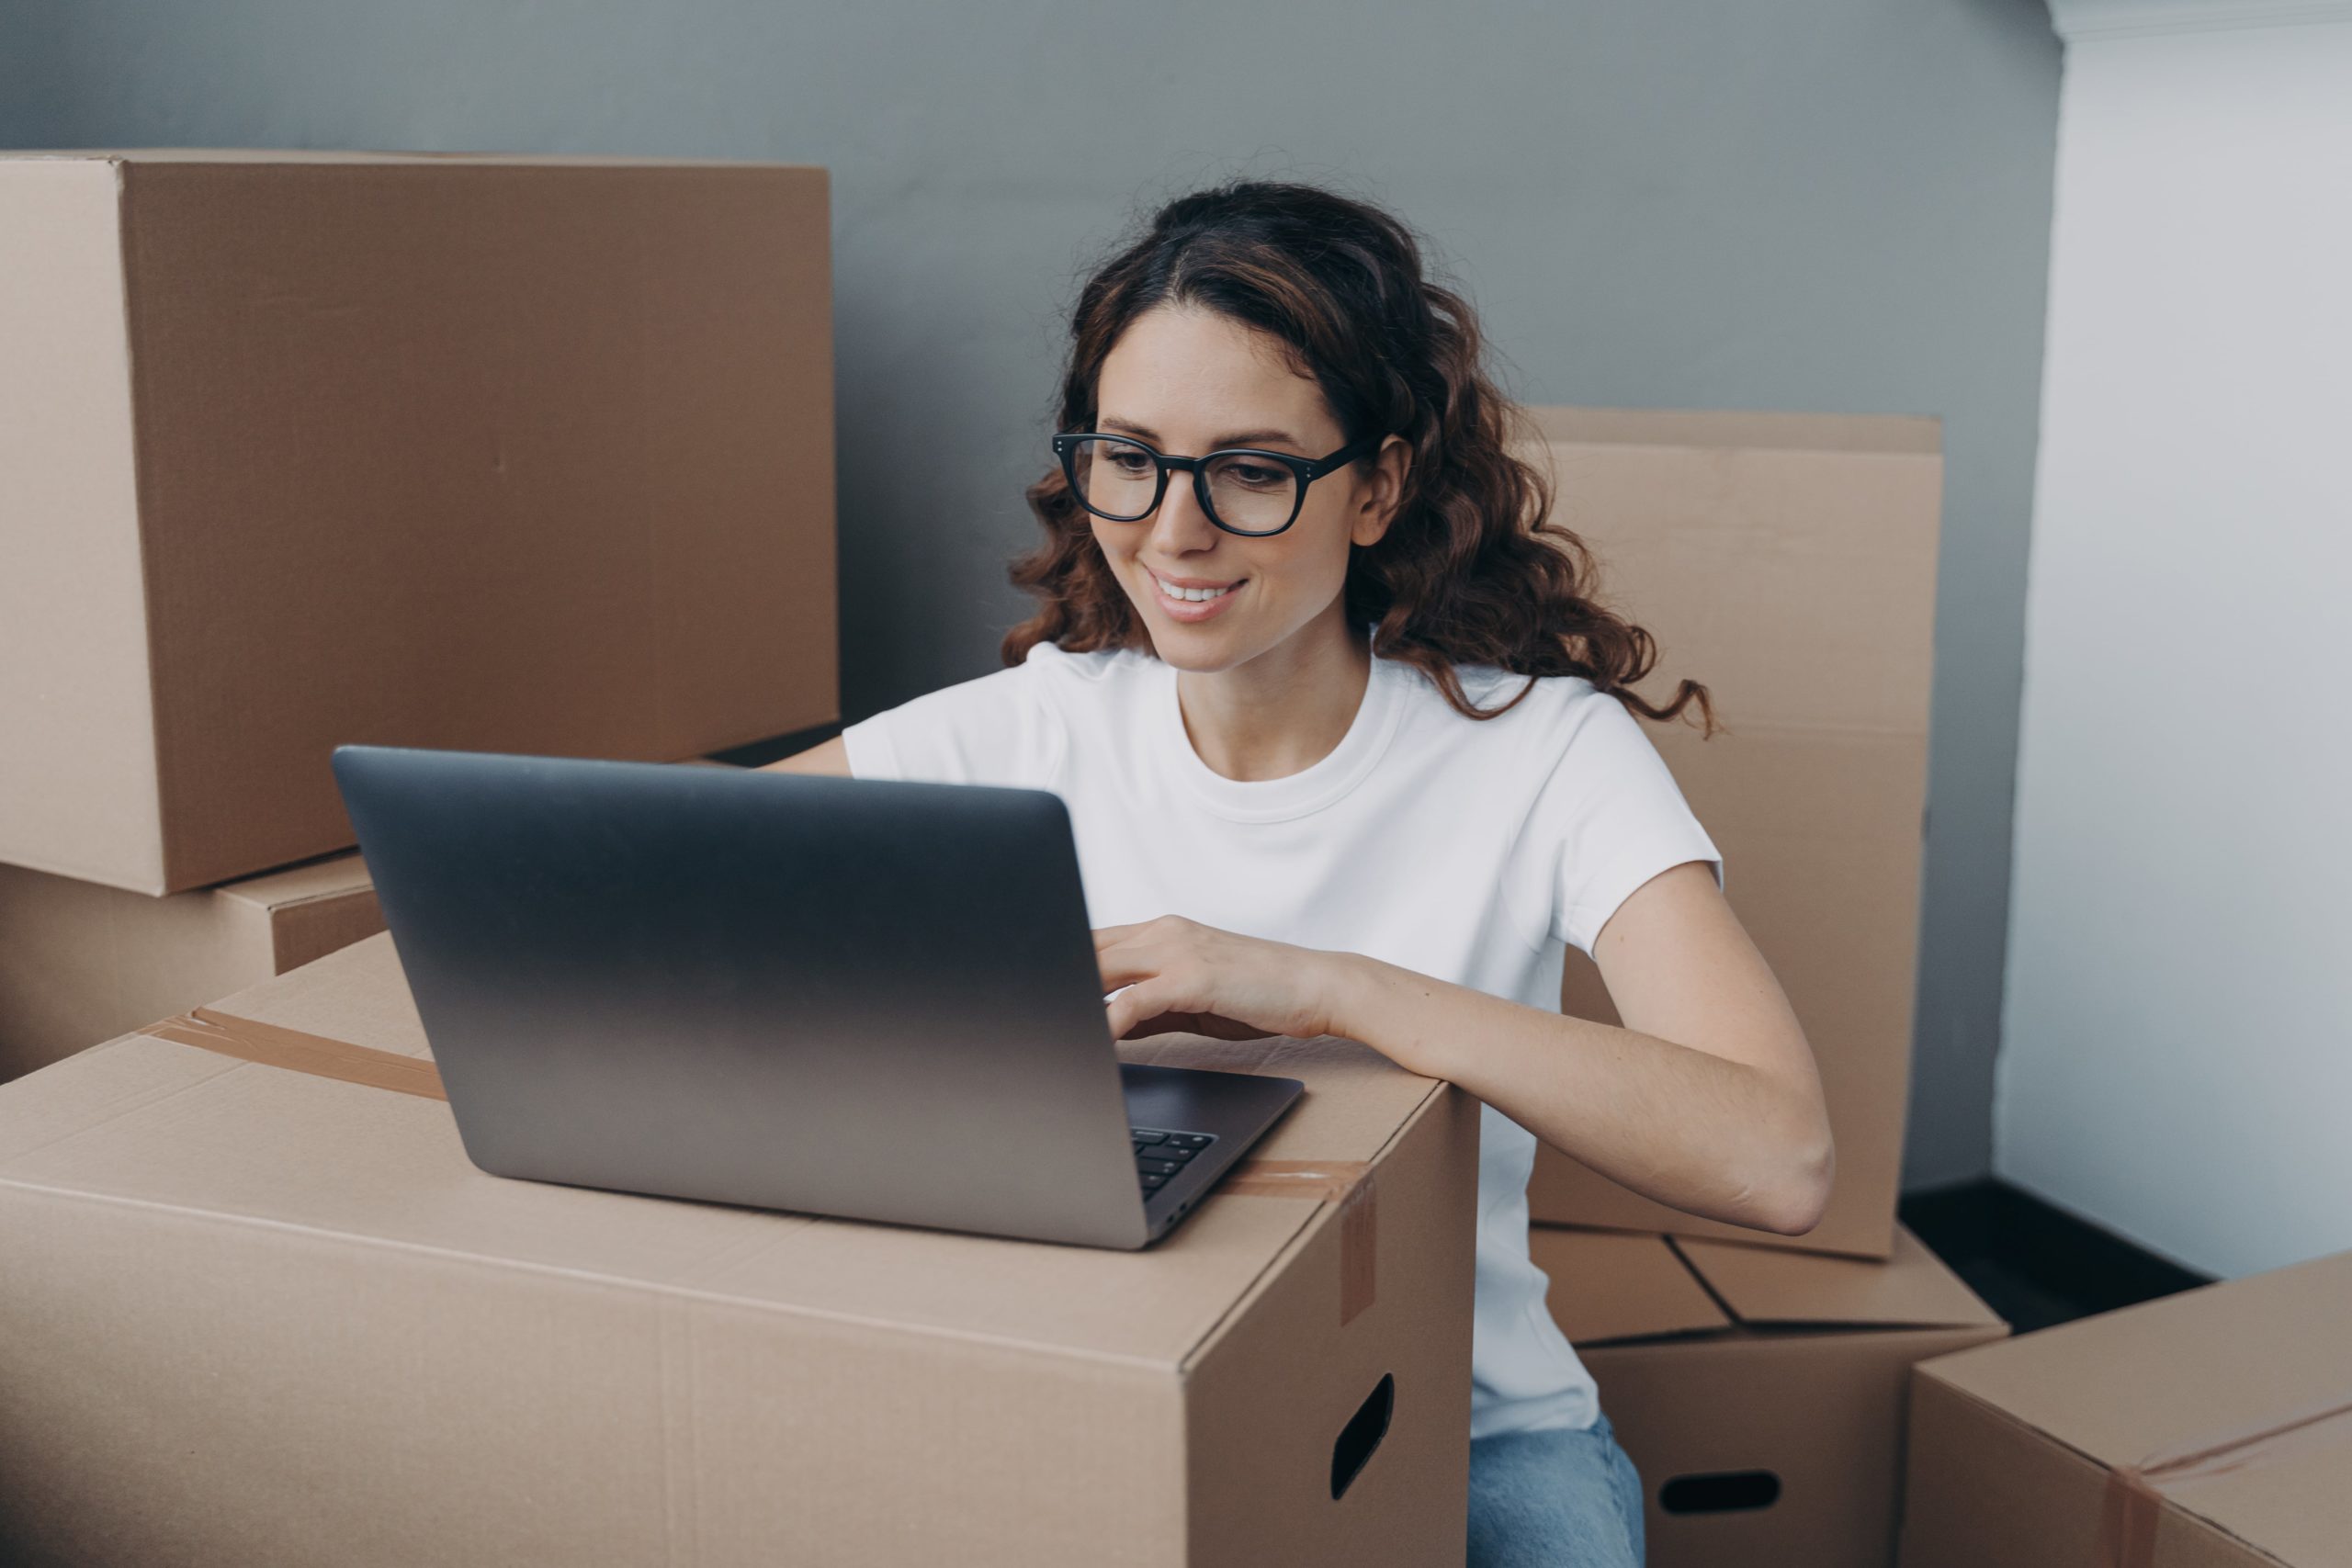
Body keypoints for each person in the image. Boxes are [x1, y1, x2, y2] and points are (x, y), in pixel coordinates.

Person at [767, 179, 1831, 1567]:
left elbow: (1779, 1156)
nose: (1172, 531)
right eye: (1129, 456)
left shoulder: (1543, 756)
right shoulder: (1033, 725)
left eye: (1253, 470)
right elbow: (659, 888)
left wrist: (1322, 989)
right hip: (1103, 1391)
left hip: (1464, 1426)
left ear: (1377, 486)